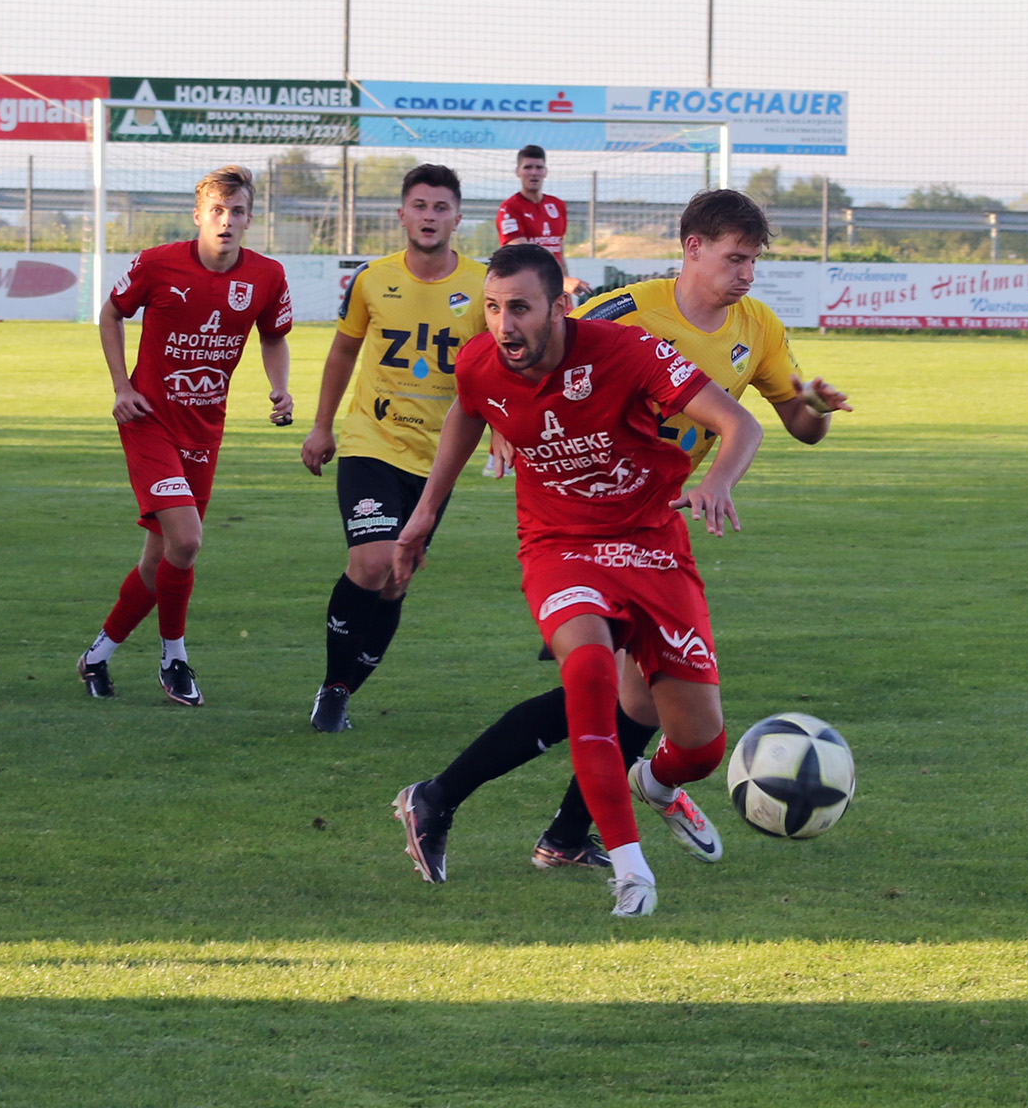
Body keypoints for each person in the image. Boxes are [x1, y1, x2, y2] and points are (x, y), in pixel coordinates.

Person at [405, 189, 852, 874]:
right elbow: (528, 362)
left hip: (655, 522)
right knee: (603, 691)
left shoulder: (757, 325)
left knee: (636, 702)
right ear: (692, 248)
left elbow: (796, 425)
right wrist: (500, 422)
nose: (747, 274)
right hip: (577, 526)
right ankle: (454, 802)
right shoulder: (625, 311)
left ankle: (563, 830)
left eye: (754, 261)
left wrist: (815, 407)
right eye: (736, 258)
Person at [391, 242, 764, 917]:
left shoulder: (624, 351)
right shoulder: (483, 361)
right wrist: (423, 516)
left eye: (521, 309)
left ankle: (655, 785)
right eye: (493, 308)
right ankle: (628, 868)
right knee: (588, 668)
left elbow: (738, 423)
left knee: (701, 746)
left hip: (652, 545)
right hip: (559, 546)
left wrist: (717, 481)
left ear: (560, 304)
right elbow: (467, 412)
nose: (504, 325)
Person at [77, 165, 294, 705]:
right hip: (149, 420)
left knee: (160, 560)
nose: (226, 221)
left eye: (237, 211)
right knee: (189, 540)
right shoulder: (157, 264)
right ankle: (175, 659)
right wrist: (122, 386)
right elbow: (110, 314)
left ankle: (97, 656)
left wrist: (280, 388)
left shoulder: (266, 276)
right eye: (217, 212)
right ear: (198, 216)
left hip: (204, 429)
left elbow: (273, 337)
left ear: (249, 218)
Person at [298, 165, 490, 732]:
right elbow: (342, 353)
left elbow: (500, 367)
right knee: (373, 560)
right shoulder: (370, 279)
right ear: (401, 214)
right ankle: (332, 690)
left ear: (457, 217)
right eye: (420, 205)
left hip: (439, 458)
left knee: (397, 578)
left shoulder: (484, 286)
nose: (429, 216)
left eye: (440, 207)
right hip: (371, 441)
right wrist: (322, 426)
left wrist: (504, 433)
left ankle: (346, 685)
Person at [495, 144, 591, 297]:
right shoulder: (509, 207)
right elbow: (522, 254)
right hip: (526, 291)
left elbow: (559, 252)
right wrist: (563, 281)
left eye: (539, 167)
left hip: (556, 289)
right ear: (518, 172)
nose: (534, 173)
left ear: (545, 171)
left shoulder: (558, 205)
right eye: (528, 167)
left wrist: (564, 291)